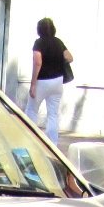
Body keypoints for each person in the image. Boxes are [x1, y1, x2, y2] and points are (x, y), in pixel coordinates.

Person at [26, 17, 74, 145]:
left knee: (32, 111)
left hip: (42, 81)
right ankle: (53, 143)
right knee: (53, 114)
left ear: (39, 30)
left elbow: (37, 62)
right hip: (57, 82)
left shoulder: (38, 43)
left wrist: (33, 84)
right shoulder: (59, 42)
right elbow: (70, 57)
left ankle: (30, 140)